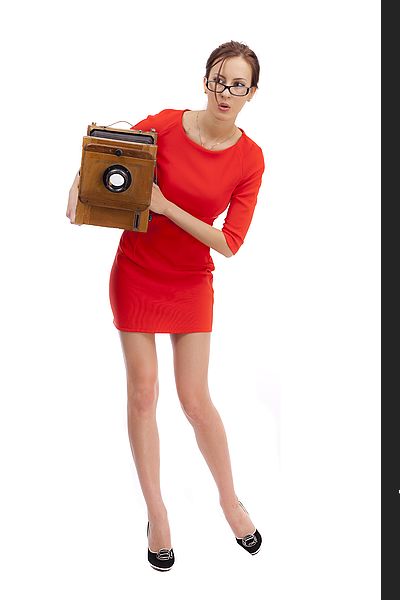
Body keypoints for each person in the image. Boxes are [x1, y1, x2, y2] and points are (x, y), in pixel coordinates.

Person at [66, 40, 265, 571]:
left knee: (195, 399)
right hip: (136, 270)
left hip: (191, 279)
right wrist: (77, 188)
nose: (227, 92)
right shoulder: (166, 125)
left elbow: (228, 243)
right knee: (142, 392)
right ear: (206, 81)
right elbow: (108, 155)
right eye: (219, 80)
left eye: (238, 85)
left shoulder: (250, 158)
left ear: (252, 93)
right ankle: (157, 513)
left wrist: (166, 206)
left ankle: (229, 501)